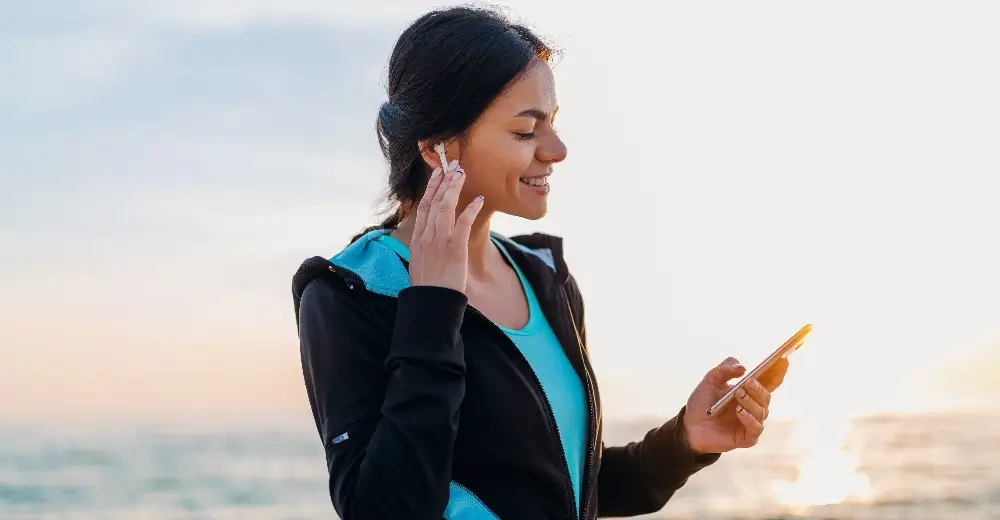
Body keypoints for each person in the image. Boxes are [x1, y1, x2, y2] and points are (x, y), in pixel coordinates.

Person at [291, 6, 789, 520]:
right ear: (437, 146)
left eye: (552, 123)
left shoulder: (544, 274)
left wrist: (686, 441)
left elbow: (567, 491)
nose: (557, 149)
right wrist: (432, 308)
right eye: (526, 131)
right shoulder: (348, 293)